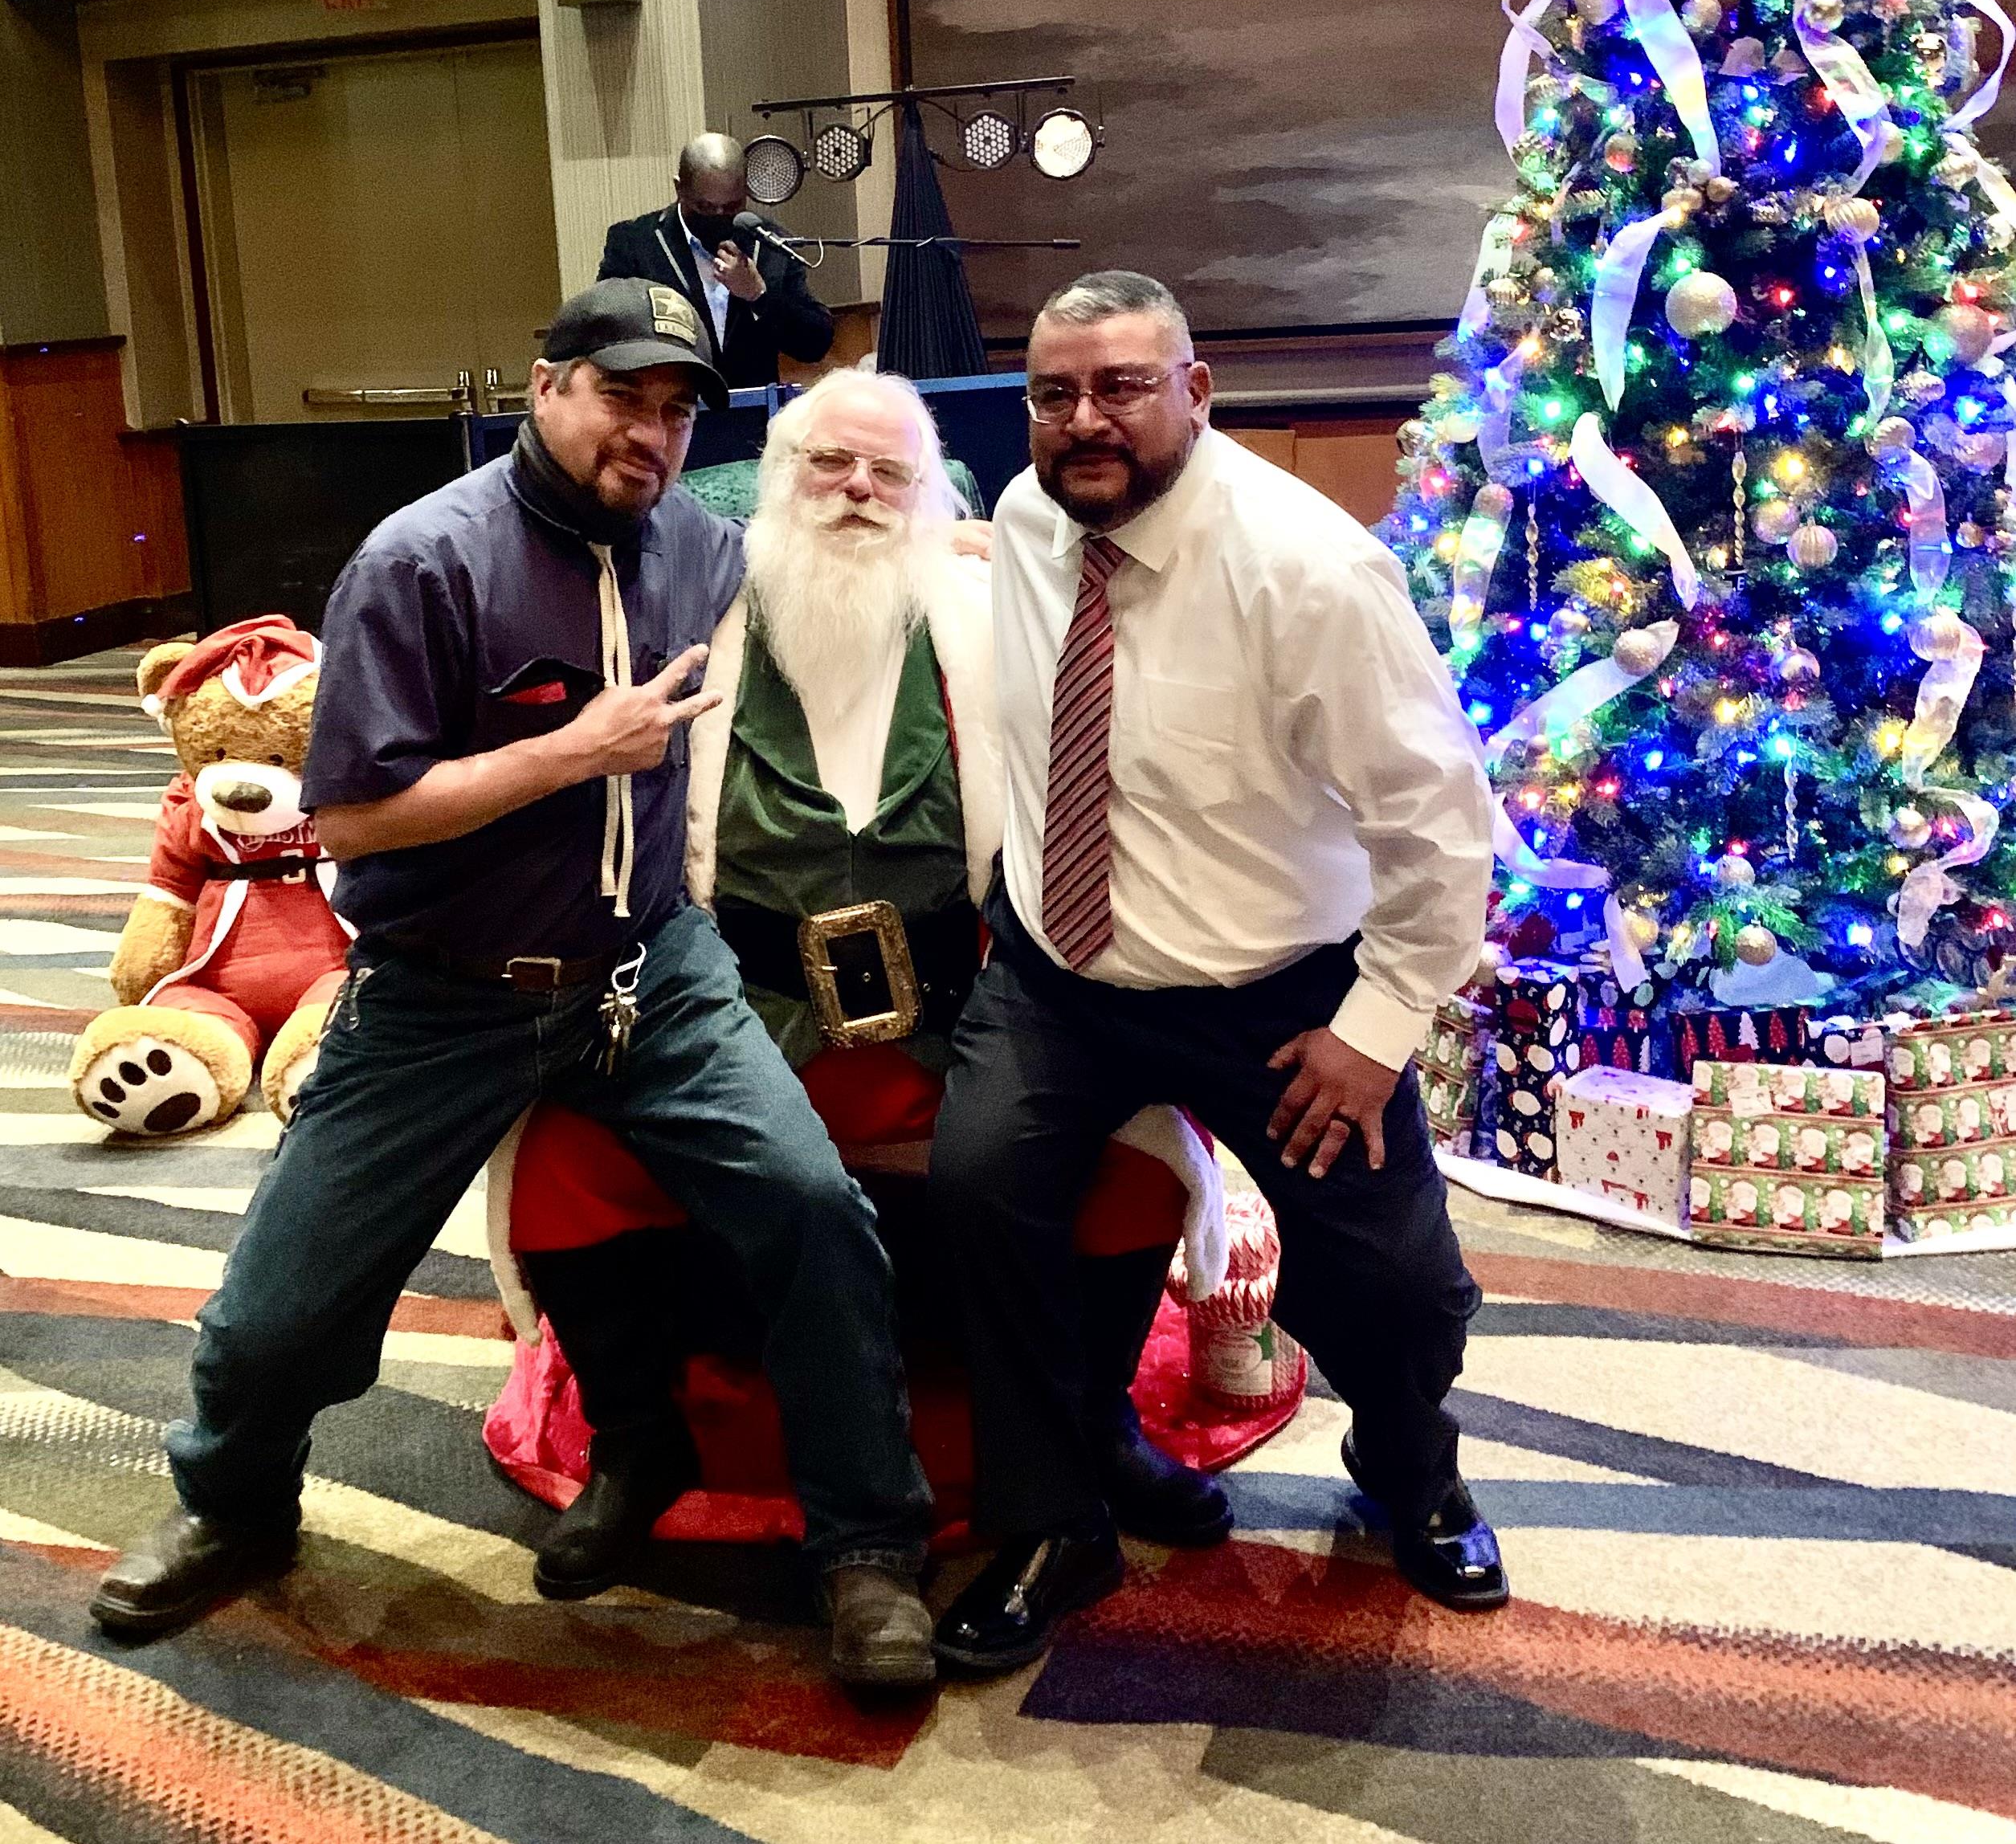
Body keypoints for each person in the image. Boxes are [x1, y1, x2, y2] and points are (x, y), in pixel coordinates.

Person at [88, 279, 937, 1691]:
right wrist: (568, 753)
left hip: (651, 976)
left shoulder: (699, 550)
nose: (651, 434)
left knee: (812, 1213)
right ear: (548, 387)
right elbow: (350, 821)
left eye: (676, 411)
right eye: (623, 396)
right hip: (442, 994)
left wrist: (943, 537)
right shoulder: (421, 563)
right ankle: (233, 1506)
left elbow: (838, 526)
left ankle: (869, 1550)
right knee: (275, 1317)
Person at [504, 369, 1230, 1595]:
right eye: (826, 465)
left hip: (957, 1008)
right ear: (771, 480)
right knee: (567, 1149)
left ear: (931, 488)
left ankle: (1094, 1424)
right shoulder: (693, 609)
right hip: (735, 1008)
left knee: (1132, 1150)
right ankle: (639, 1448)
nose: (856, 492)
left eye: (888, 471)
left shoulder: (993, 605)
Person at [928, 270, 1504, 1675]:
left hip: (1277, 994)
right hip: (1062, 977)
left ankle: (1412, 1460)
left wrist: (1375, 1031)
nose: (1083, 421)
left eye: (1122, 384)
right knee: (979, 1184)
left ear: (1196, 389)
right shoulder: (1023, 521)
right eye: (1054, 394)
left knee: (1395, 1283)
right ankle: (1055, 1520)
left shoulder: (1309, 570)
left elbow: (1439, 821)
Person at [598, 132, 834, 388]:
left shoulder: (770, 244)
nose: (719, 216)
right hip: (667, 408)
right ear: (680, 189)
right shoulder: (635, 243)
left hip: (751, 414)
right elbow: (607, 332)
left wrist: (758, 295)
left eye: (732, 207)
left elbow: (814, 343)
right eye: (706, 208)